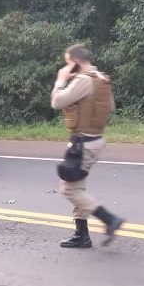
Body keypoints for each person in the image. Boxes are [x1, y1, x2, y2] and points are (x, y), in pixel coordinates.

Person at [50, 44, 125, 248]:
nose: (65, 67)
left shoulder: (83, 80)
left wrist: (61, 79)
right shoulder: (101, 78)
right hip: (95, 140)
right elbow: (110, 107)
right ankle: (82, 235)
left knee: (69, 190)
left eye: (67, 62)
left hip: (82, 144)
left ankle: (109, 219)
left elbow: (57, 102)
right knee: (77, 187)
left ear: (74, 62)